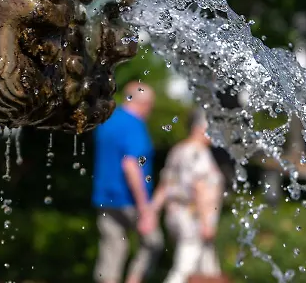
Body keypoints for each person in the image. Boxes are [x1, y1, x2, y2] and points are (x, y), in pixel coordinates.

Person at [92, 81, 164, 283]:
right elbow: (131, 165)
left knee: (113, 248)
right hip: (130, 199)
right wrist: (145, 209)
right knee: (153, 243)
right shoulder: (135, 125)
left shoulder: (108, 121)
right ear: (144, 103)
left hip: (105, 198)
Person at [145, 108, 225, 283]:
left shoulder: (178, 150)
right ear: (199, 128)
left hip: (176, 215)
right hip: (193, 218)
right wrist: (206, 223)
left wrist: (152, 212)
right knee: (184, 268)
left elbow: (165, 184)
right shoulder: (198, 153)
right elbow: (200, 188)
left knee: (207, 270)